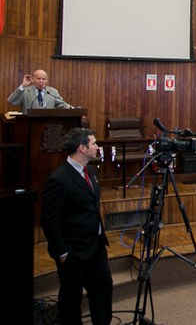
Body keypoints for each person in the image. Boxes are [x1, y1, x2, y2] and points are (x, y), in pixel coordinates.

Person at [41, 127, 113, 325]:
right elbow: (49, 220)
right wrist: (62, 253)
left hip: (96, 247)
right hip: (74, 252)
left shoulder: (90, 171)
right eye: (93, 143)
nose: (97, 147)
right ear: (82, 148)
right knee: (71, 301)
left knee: (103, 292)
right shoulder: (59, 180)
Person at [7, 69, 72, 113]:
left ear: (46, 81)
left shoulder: (52, 91)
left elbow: (63, 105)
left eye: (43, 79)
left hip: (48, 126)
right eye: (38, 78)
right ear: (32, 79)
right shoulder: (25, 91)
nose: (41, 81)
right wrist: (23, 86)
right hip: (29, 124)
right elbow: (11, 101)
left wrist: (75, 110)